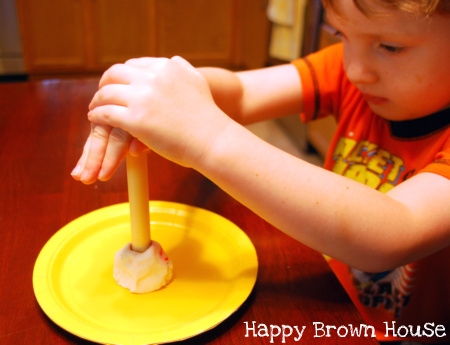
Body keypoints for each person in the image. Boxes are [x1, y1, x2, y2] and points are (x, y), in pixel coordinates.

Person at [71, 0, 450, 342]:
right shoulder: (350, 70)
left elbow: (395, 231)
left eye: (391, 47)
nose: (355, 69)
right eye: (341, 34)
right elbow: (241, 93)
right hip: (329, 299)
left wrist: (208, 137)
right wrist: (168, 88)